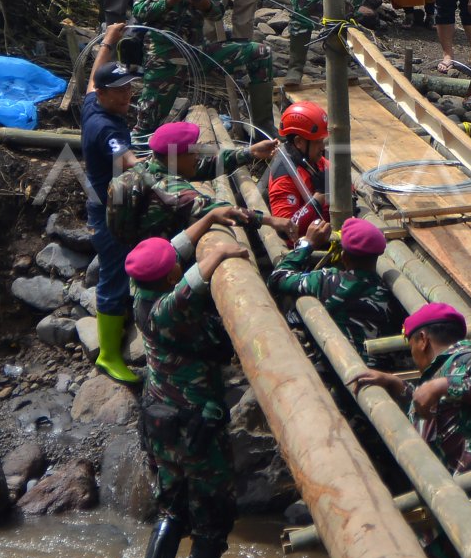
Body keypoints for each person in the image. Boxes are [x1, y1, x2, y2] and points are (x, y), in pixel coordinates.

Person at [128, 220, 249, 558]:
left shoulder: (138, 292)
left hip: (158, 421)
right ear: (170, 278)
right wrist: (223, 249)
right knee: (212, 521)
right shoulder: (167, 311)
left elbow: (173, 249)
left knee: (172, 509)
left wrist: (209, 220)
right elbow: (192, 280)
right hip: (195, 426)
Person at [131, 0, 274, 138]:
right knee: (147, 123)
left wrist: (204, 3)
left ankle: (263, 130)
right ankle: (144, 152)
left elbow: (217, 13)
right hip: (163, 52)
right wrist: (168, 1)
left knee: (261, 53)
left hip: (197, 49)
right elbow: (139, 12)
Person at [352, 302, 471, 474]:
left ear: (422, 340)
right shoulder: (440, 370)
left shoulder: (466, 360)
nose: (412, 354)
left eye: (411, 345)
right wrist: (395, 384)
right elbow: (437, 410)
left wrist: (442, 385)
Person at [81, 24, 143, 383]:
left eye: (129, 87)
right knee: (113, 274)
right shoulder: (106, 128)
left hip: (105, 198)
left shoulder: (92, 102)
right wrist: (163, 161)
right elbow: (127, 160)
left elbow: (92, 77)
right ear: (105, 96)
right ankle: (107, 354)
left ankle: (125, 315)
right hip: (108, 209)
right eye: (119, 92)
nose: (127, 96)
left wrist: (110, 41)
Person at [268, 217, 399, 365]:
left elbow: (277, 278)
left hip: (338, 367)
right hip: (381, 370)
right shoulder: (388, 290)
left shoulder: (328, 281)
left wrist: (306, 244)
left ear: (344, 256)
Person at [135, 121, 292, 243]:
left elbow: (207, 166)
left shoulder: (154, 163)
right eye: (192, 152)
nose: (197, 156)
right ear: (173, 157)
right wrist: (271, 220)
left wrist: (250, 152)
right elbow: (214, 207)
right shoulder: (168, 188)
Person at [266, 101, 331, 237]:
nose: (322, 147)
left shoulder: (311, 159)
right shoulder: (284, 177)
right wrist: (319, 198)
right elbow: (287, 228)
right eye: (318, 141)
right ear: (299, 142)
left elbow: (331, 169)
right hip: (307, 247)